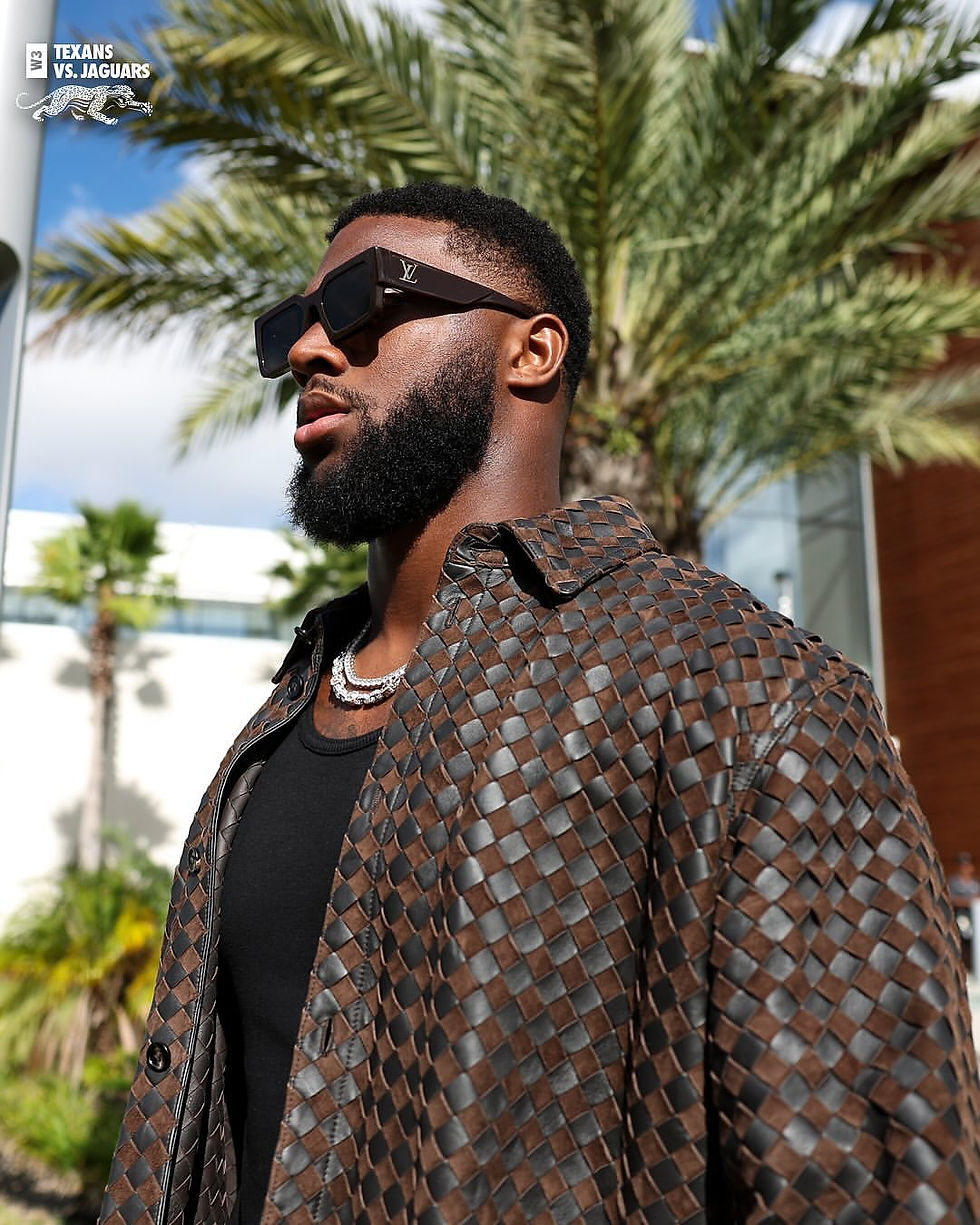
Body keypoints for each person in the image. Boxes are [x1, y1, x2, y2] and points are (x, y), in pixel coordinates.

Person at [100, 183, 980, 1225]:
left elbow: (869, 1187)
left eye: (359, 301)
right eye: (291, 322)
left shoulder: (743, 692)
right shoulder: (283, 716)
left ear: (533, 349)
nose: (307, 350)